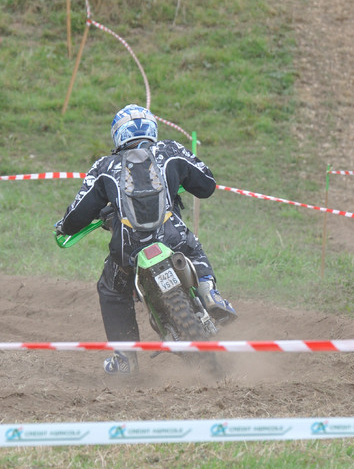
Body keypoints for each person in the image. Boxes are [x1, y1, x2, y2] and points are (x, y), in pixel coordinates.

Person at [55, 104, 236, 375]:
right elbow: (207, 184)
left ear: (118, 135)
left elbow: (78, 215)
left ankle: (125, 360)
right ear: (152, 128)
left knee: (112, 291)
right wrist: (181, 180)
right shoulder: (170, 150)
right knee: (193, 248)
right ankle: (210, 293)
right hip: (171, 237)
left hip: (128, 250)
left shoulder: (104, 167)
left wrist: (63, 226)